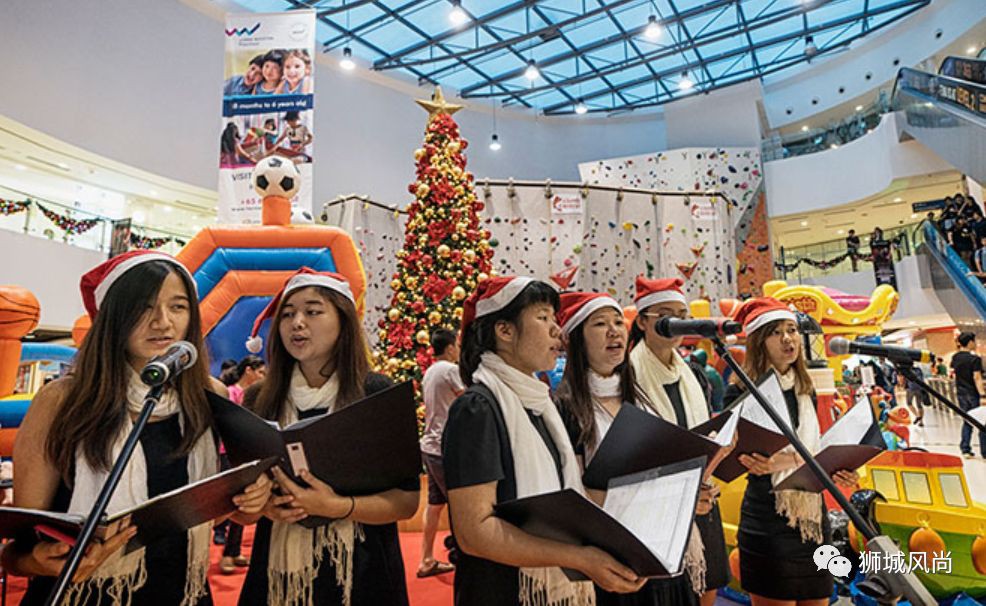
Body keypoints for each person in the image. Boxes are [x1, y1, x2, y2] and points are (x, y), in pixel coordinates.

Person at [3, 251, 271, 605]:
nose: (163, 322)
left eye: (177, 307)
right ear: (113, 316)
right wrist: (38, 559)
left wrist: (252, 499)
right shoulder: (62, 400)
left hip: (181, 590)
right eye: (144, 307)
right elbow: (17, 552)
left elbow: (224, 510)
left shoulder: (208, 395)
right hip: (81, 593)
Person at [442, 276, 645, 606]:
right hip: (504, 591)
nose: (557, 330)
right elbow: (474, 533)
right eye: (543, 317)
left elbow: (567, 498)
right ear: (504, 331)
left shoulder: (540, 404)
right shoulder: (477, 409)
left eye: (555, 319)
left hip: (552, 590)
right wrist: (580, 558)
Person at [238, 268, 419, 606]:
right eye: (288, 314)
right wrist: (262, 505)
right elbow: (241, 503)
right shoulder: (259, 398)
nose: (297, 322)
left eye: (313, 310)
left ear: (343, 321)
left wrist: (338, 506)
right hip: (277, 574)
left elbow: (407, 501)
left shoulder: (376, 393)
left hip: (362, 571)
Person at [554, 291, 725, 606]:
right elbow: (574, 495)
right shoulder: (565, 407)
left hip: (665, 550)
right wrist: (670, 499)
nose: (614, 330)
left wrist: (689, 498)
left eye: (619, 322)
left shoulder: (641, 397)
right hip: (612, 559)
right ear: (577, 337)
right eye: (600, 324)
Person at [725, 298, 859, 606]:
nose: (788, 338)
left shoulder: (805, 387)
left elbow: (809, 447)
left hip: (813, 519)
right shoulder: (740, 391)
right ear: (759, 341)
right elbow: (739, 457)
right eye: (776, 332)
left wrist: (837, 469)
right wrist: (789, 461)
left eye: (792, 330)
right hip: (768, 518)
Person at [626, 277, 729, 606]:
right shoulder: (626, 376)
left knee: (706, 586)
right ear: (642, 321)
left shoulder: (694, 374)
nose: (678, 322)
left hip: (703, 499)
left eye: (682, 314)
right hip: (657, 512)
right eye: (666, 315)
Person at [417, 328, 462, 578]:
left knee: (435, 506)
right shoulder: (449, 370)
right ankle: (464, 556)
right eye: (457, 344)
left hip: (430, 446)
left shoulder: (431, 371)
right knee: (459, 505)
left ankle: (426, 559)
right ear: (450, 348)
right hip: (445, 447)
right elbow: (470, 399)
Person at [216, 354, 267, 573]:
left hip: (249, 453)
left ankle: (234, 551)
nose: (263, 376)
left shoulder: (256, 394)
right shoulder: (230, 392)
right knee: (230, 502)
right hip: (228, 454)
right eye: (260, 372)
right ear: (249, 370)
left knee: (246, 502)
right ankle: (227, 552)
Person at [950, 332, 986, 459]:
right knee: (982, 422)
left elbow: (955, 374)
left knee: (967, 420)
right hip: (973, 393)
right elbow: (977, 377)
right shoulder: (974, 359)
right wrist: (982, 395)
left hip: (961, 393)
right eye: (974, 341)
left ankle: (965, 448)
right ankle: (985, 451)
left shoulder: (955, 357)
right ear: (970, 342)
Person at [689, 349, 724, 413]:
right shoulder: (690, 368)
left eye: (694, 359)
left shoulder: (711, 373)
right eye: (692, 359)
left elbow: (718, 393)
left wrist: (717, 410)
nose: (692, 361)